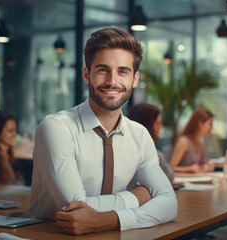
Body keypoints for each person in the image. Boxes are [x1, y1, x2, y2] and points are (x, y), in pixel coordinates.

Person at [27, 28, 177, 235]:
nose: (112, 82)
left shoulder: (140, 135)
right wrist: (139, 196)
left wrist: (107, 221)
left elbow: (170, 204)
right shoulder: (55, 127)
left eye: (123, 71)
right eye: (103, 70)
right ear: (87, 74)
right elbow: (75, 207)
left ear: (135, 79)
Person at [128, 103, 174, 182]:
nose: (161, 127)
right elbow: (169, 176)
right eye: (157, 123)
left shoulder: (124, 148)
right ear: (146, 125)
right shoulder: (153, 154)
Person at [169, 108, 215, 173]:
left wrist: (208, 166)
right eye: (210, 124)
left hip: (197, 180)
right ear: (200, 123)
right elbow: (171, 168)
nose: (212, 128)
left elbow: (203, 164)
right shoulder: (183, 142)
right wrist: (188, 169)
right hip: (182, 181)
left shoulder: (201, 144)